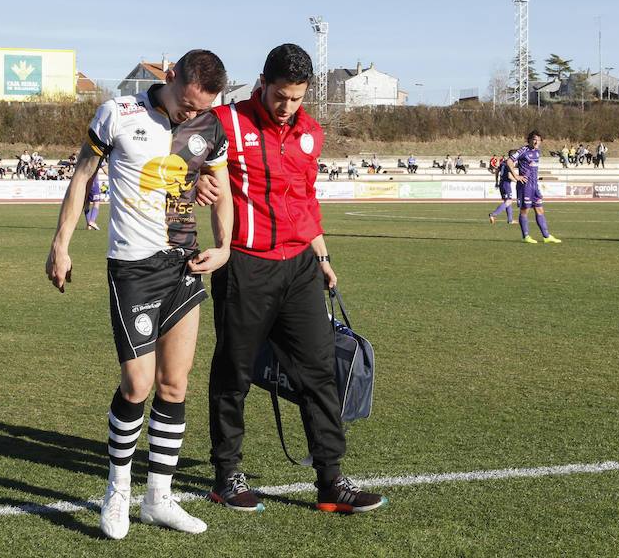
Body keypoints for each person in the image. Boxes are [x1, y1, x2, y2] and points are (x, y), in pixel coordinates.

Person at [45, 49, 233, 540]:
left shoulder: (211, 128)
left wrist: (225, 246)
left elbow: (221, 188)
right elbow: (82, 175)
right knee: (137, 385)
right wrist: (60, 246)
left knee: (175, 386)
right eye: (187, 104)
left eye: (200, 108)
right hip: (133, 269)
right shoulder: (118, 113)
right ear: (171, 78)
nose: (191, 114)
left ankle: (159, 498)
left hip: (185, 264)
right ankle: (118, 491)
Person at [197, 43, 387, 516]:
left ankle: (331, 481)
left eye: (296, 99)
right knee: (233, 372)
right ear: (262, 82)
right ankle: (227, 475)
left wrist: (322, 255)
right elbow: (178, 157)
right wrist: (196, 177)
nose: (286, 107)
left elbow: (305, 198)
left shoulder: (310, 133)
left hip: (301, 266)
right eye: (280, 96)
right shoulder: (226, 122)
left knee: (319, 373)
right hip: (243, 264)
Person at [506, 130, 561, 244]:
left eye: (539, 140)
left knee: (540, 209)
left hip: (535, 186)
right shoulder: (523, 150)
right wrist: (516, 176)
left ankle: (546, 236)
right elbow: (509, 161)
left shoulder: (537, 152)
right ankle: (525, 236)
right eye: (534, 139)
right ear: (529, 140)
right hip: (525, 186)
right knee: (524, 210)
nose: (536, 142)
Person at [489, 150, 518, 225]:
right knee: (508, 201)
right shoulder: (510, 163)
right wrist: (517, 181)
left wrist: (496, 182)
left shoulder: (503, 162)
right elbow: (509, 176)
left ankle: (510, 220)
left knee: (508, 201)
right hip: (506, 184)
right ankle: (493, 214)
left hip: (501, 183)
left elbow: (497, 171)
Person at [84, 162, 106, 230]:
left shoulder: (82, 157)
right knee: (96, 203)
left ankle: (89, 225)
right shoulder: (97, 157)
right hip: (93, 183)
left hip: (83, 183)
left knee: (86, 204)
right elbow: (105, 170)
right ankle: (92, 221)